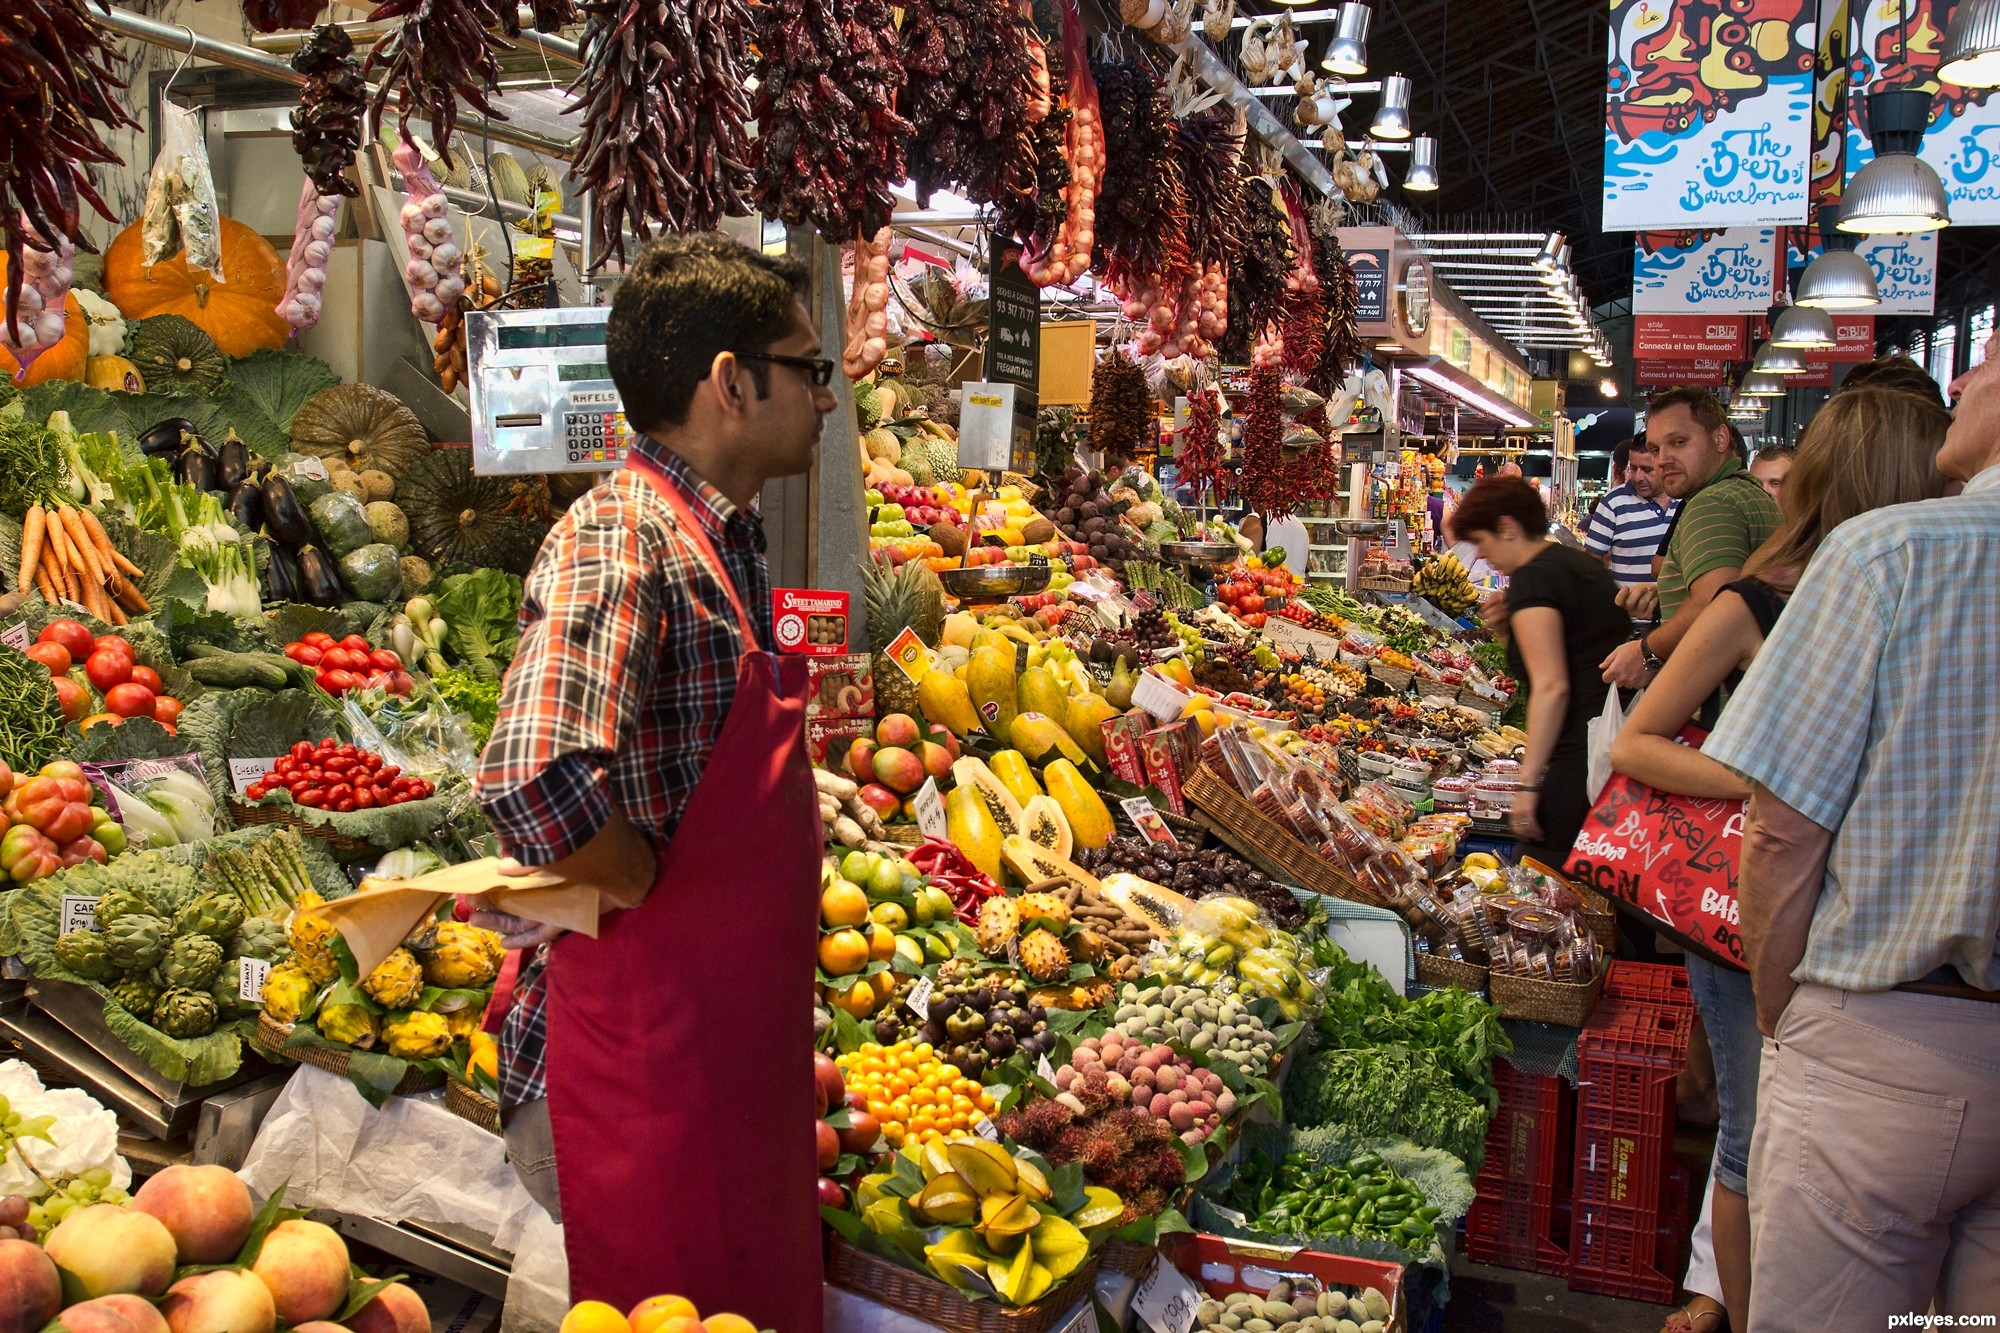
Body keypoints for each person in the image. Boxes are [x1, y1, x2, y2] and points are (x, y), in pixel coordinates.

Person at [472, 233, 837, 1325]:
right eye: (808, 369)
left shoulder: (721, 537)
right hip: (644, 1070)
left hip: (724, 1053)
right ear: (731, 380)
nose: (825, 398)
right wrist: (630, 875)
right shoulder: (620, 536)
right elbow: (530, 773)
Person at [1609, 388, 1953, 1333]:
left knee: (1790, 1155)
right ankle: (1734, 1303)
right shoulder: (1759, 594)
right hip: (1744, 909)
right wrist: (1766, 786)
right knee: (1755, 1139)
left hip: (1857, 924)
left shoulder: (1908, 592)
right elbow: (1636, 743)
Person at [1702, 329, 2000, 1328]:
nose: (1958, 378)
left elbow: (1780, 828)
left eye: (1987, 357)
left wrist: (1781, 1007)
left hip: (1885, 1040)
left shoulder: (1888, 553)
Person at [1451, 477, 1626, 863]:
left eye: (1482, 540)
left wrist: (1527, 787)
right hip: (1606, 745)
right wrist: (1504, 630)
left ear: (1508, 527)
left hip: (1582, 753)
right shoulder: (1569, 561)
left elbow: (1552, 686)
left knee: (1546, 874)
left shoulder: (1535, 578)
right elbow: (1568, 652)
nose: (1480, 554)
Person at [1601, 388, 1781, 688]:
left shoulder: (1713, 503)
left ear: (1721, 438)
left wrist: (1647, 652)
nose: (1663, 460)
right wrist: (1669, 592)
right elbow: (1739, 588)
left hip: (1714, 701)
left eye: (1679, 442)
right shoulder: (1746, 492)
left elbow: (1714, 605)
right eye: (1656, 448)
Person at [1582, 435, 1677, 593]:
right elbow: (1590, 564)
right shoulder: (1613, 503)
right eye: (1633, 468)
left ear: (1664, 465)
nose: (1638, 477)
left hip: (1681, 614)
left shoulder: (1687, 500)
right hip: (1628, 616)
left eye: (1647, 469)